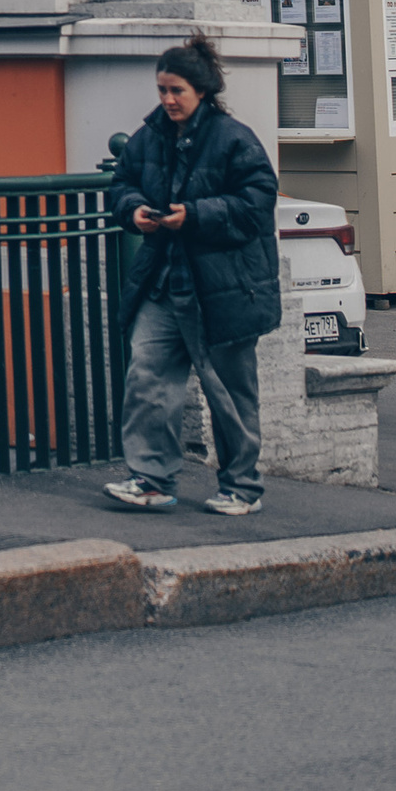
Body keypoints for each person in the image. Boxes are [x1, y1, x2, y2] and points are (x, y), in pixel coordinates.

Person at [101, 32, 281, 517]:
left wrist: (195, 215)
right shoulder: (150, 136)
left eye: (176, 90)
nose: (167, 99)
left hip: (224, 290)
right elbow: (123, 182)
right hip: (167, 282)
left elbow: (258, 201)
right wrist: (134, 209)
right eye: (162, 89)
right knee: (147, 377)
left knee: (229, 391)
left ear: (201, 90)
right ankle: (152, 479)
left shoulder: (233, 139)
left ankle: (242, 487)